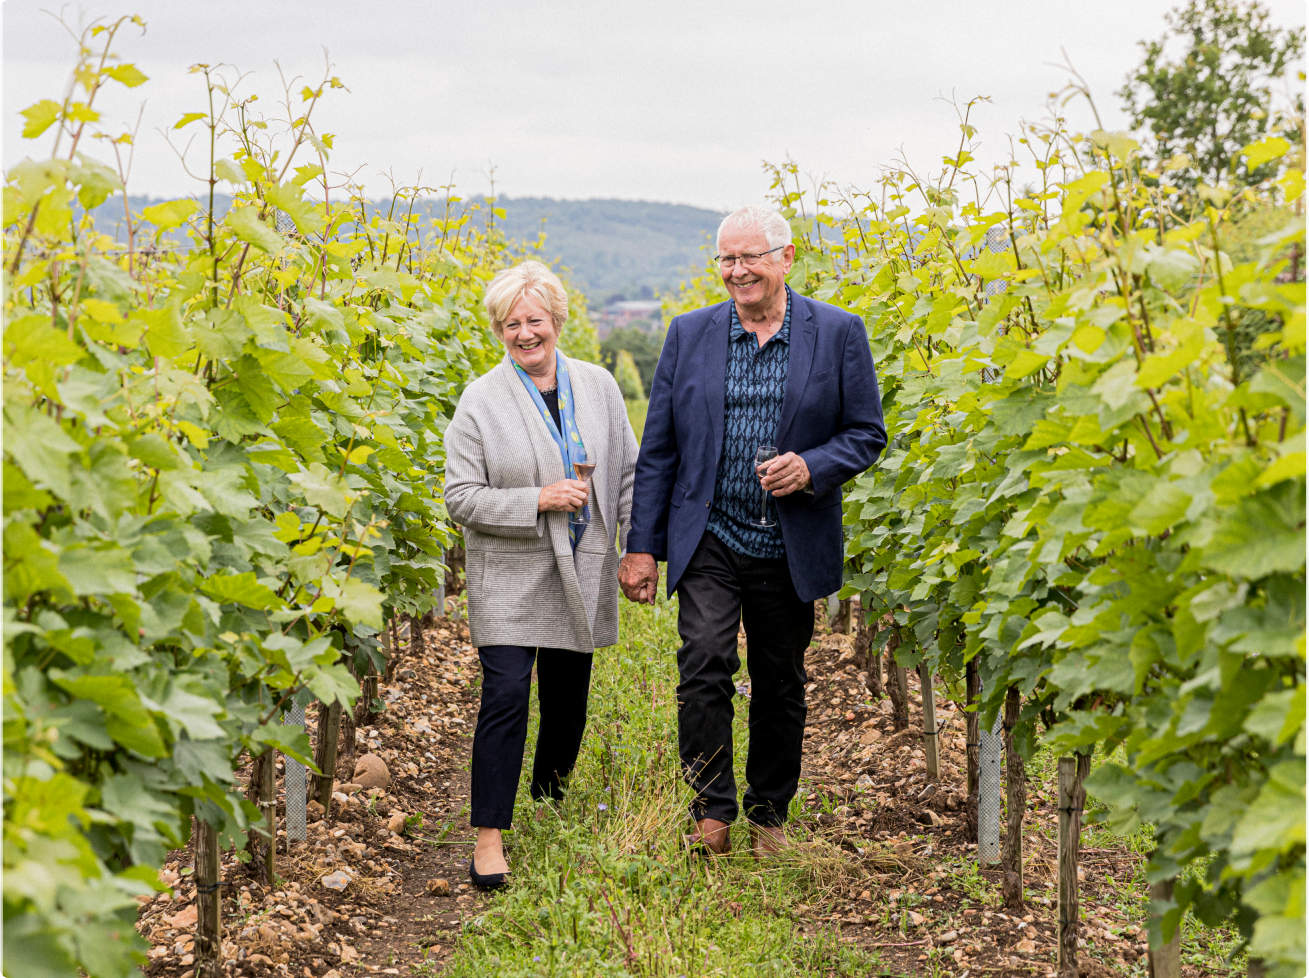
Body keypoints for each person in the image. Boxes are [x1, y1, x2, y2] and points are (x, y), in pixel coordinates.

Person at [619, 205, 886, 855]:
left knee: (779, 679)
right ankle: (710, 809)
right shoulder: (689, 335)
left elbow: (865, 433)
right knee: (703, 661)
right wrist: (641, 547)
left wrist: (812, 466)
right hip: (710, 530)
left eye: (750, 258)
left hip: (789, 539)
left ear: (785, 258)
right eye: (726, 260)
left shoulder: (837, 333)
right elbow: (659, 450)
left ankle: (768, 815)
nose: (736, 271)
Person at [444, 260, 638, 888]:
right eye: (511, 324)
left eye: (534, 321)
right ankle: (489, 838)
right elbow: (460, 497)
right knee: (505, 697)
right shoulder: (481, 399)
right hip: (510, 571)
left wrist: (636, 551)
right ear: (499, 330)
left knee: (567, 706)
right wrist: (536, 499)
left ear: (556, 320)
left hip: (580, 568)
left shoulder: (600, 386)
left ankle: (548, 804)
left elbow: (629, 473)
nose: (524, 334)